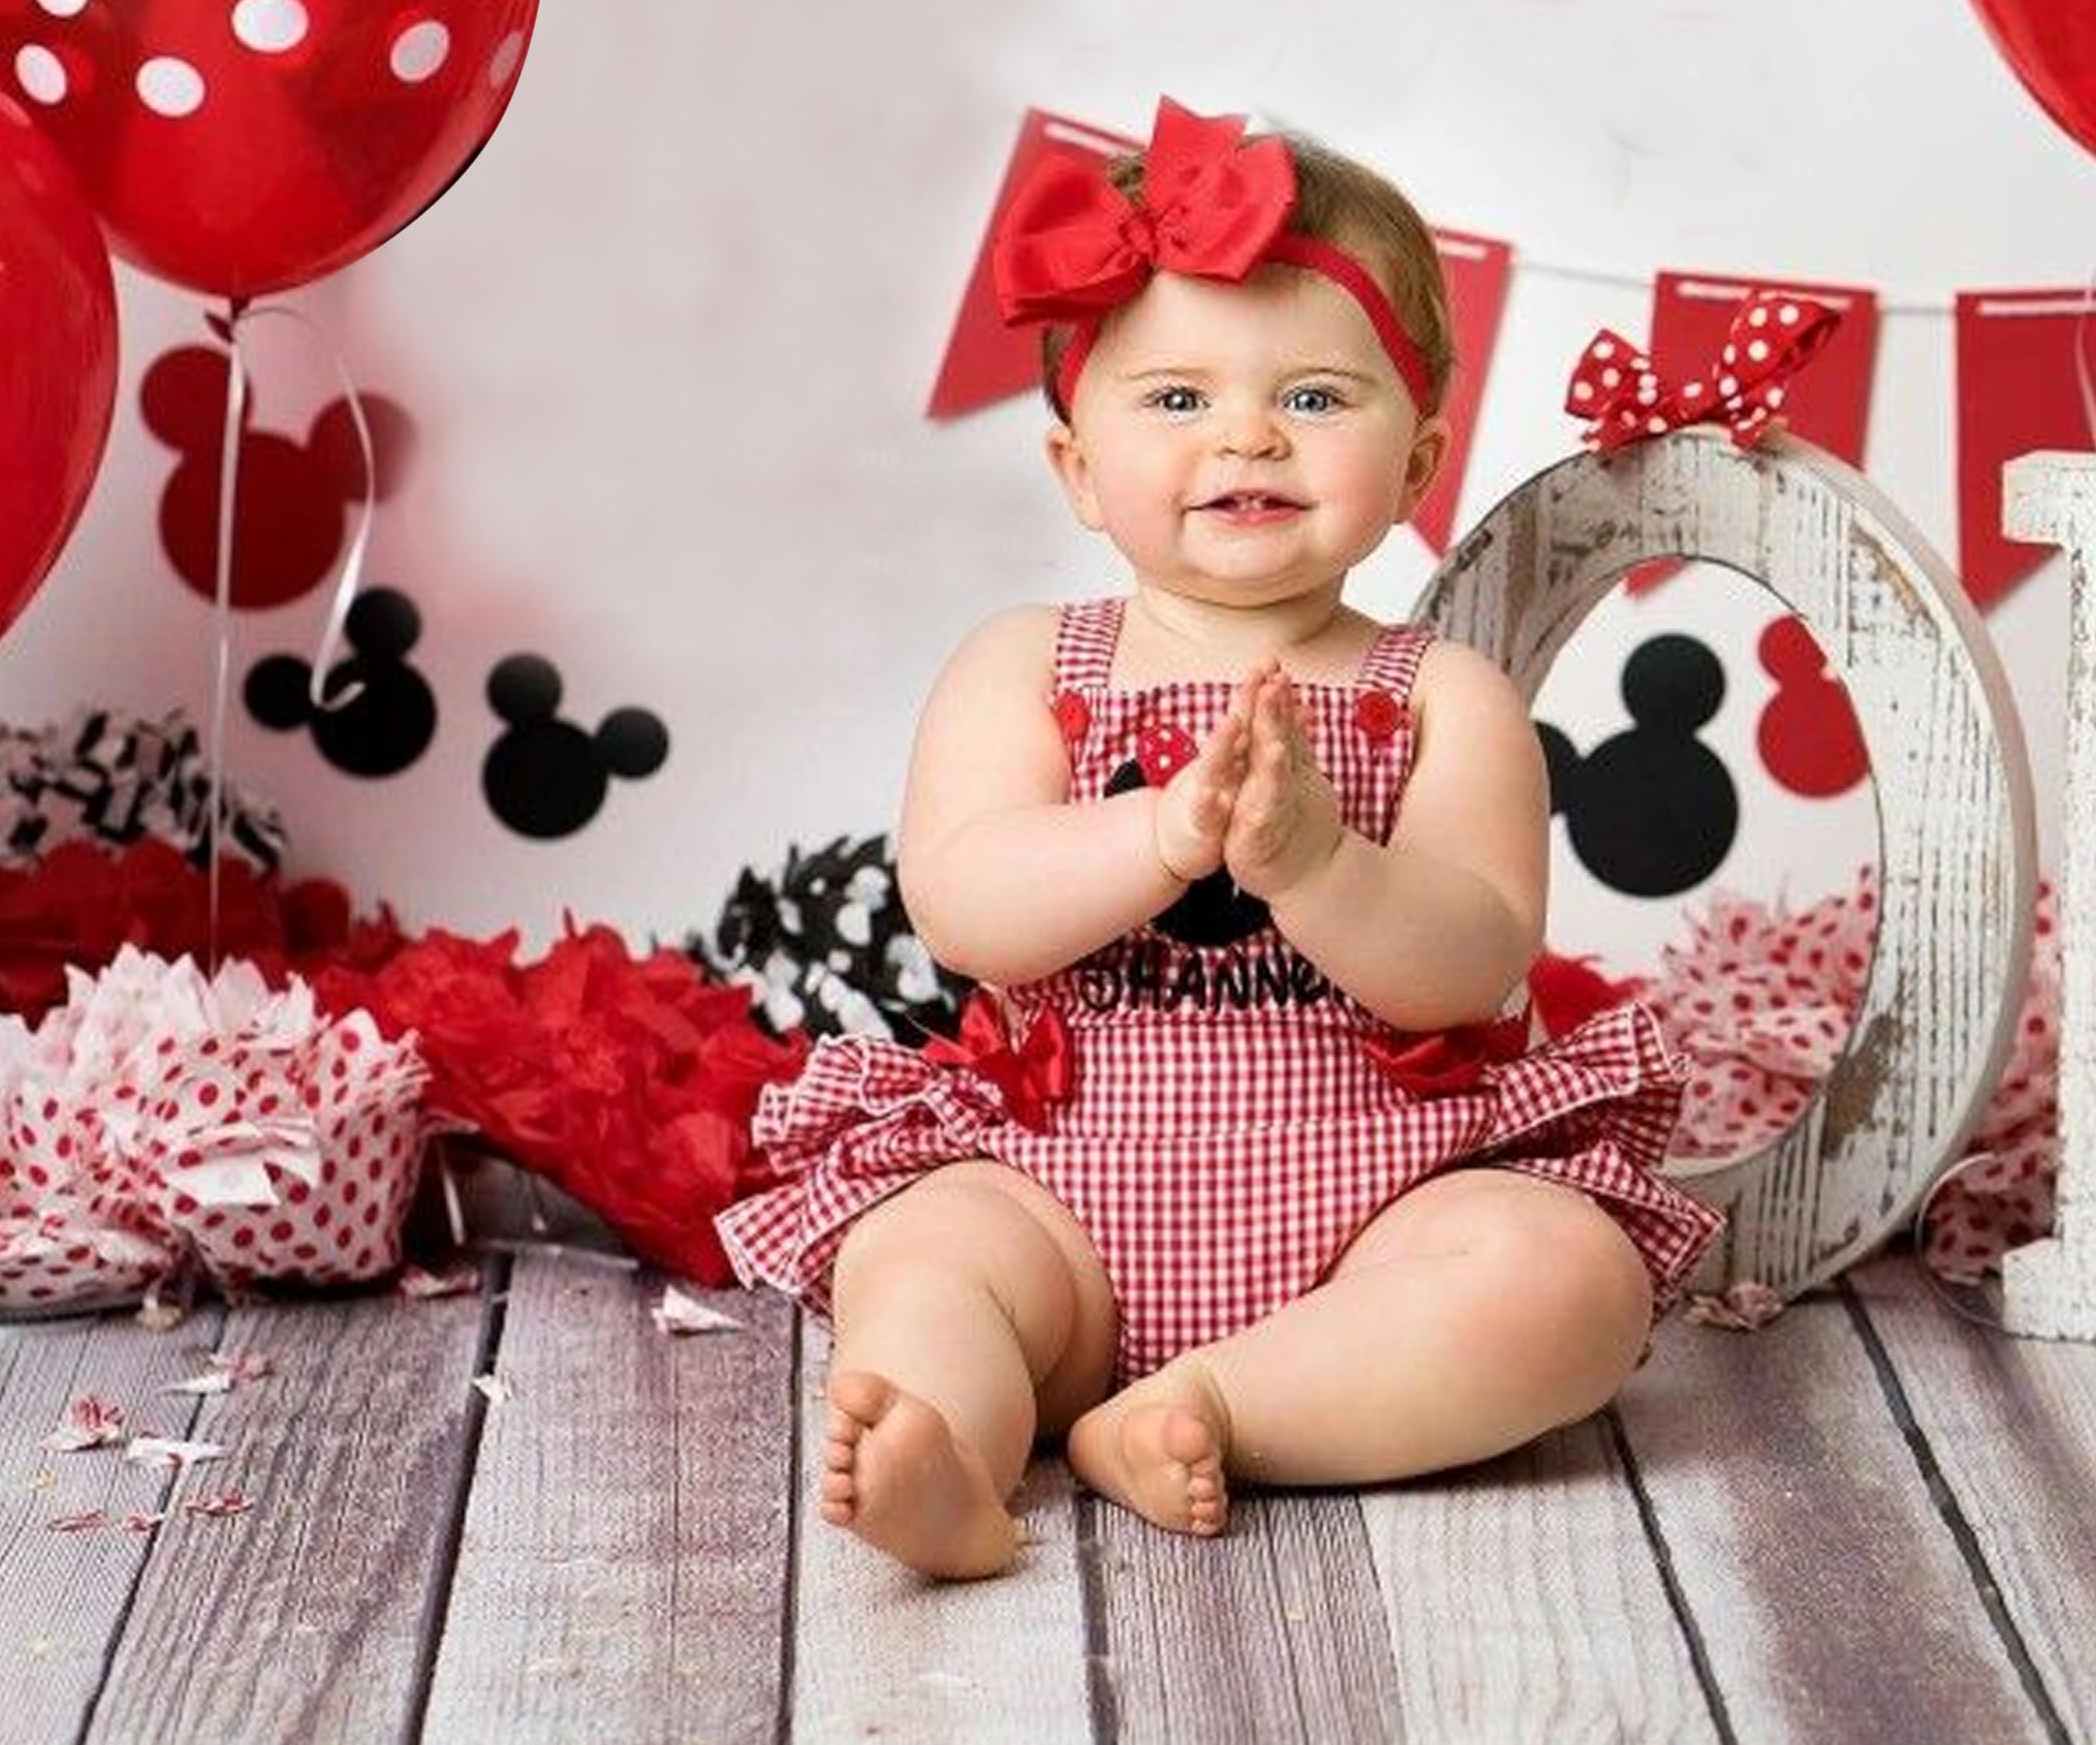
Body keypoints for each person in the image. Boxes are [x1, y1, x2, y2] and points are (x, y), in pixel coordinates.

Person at [716, 99, 1721, 1580]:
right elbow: (966, 907)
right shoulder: (1025, 668)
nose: (1247, 433)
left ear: (1421, 454)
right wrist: (1159, 834)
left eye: (1315, 397)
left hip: (1379, 1212)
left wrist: (1319, 861)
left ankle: (1215, 1410)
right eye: (1176, 399)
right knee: (922, 1251)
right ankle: (946, 1443)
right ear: (1075, 469)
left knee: (1566, 1281)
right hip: (1062, 1194)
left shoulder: (1444, 696)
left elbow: (1471, 964)